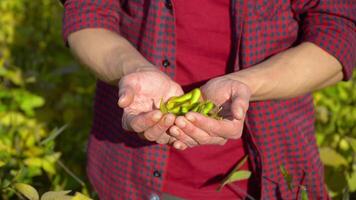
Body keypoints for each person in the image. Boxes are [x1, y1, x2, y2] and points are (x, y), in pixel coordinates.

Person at [61, 0, 355, 199]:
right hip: (129, 173)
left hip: (272, 175)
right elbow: (87, 13)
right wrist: (133, 69)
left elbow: (339, 32)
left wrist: (246, 84)